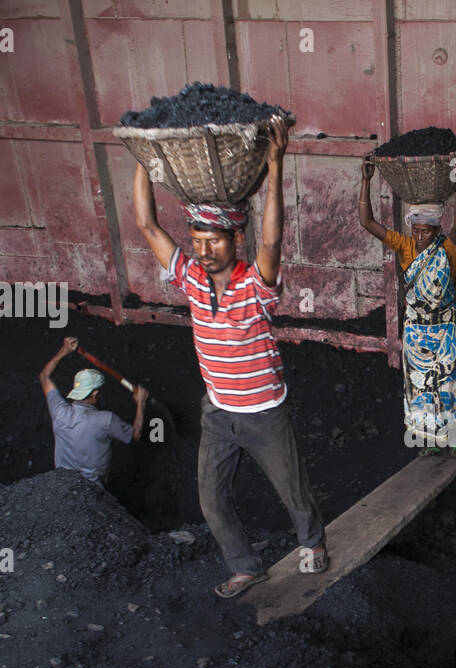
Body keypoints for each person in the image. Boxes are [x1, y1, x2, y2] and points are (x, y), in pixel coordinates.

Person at [132, 117, 328, 597]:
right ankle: (245, 566)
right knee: (211, 500)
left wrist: (276, 165)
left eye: (213, 242)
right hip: (218, 412)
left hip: (264, 412)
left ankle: (313, 542)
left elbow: (272, 241)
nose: (202, 251)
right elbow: (146, 224)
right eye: (196, 242)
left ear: (233, 241)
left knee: (292, 491)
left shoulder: (255, 286)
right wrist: (142, 161)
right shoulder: (191, 280)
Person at [358, 155, 456, 456]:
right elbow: (366, 222)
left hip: (443, 329)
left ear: (436, 232)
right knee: (419, 387)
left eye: (427, 232)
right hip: (416, 331)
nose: (420, 238)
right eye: (416, 231)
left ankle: (455, 437)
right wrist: (366, 180)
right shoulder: (405, 246)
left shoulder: (447, 250)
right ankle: (430, 439)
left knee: (447, 382)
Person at [39, 337, 146, 485]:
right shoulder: (105, 420)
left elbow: (44, 377)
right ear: (95, 393)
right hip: (93, 492)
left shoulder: (59, 411)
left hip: (61, 486)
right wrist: (141, 403)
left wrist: (64, 351)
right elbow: (135, 435)